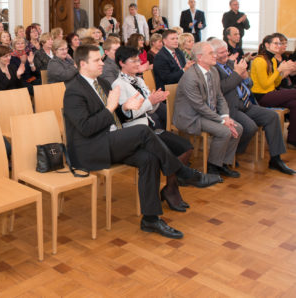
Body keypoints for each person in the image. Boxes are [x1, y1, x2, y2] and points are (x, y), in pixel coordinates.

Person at [63, 45, 220, 239]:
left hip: (110, 139)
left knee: (149, 158)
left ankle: (150, 219)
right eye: (97, 60)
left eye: (102, 59)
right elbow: (86, 128)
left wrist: (125, 108)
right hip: (90, 149)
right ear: (83, 64)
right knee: (142, 131)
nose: (102, 63)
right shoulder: (73, 91)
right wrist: (111, 108)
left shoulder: (102, 82)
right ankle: (183, 172)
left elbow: (114, 115)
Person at [113, 46, 194, 211]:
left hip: (149, 128)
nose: (138, 63)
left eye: (138, 60)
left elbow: (149, 109)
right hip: (135, 132)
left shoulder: (139, 80)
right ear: (122, 63)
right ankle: (171, 191)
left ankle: (171, 188)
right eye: (133, 61)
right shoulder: (118, 85)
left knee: (186, 148)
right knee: (167, 153)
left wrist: (156, 100)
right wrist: (150, 101)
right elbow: (128, 115)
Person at [211, 39, 293, 175]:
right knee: (250, 127)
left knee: (272, 116)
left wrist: (245, 77)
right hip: (230, 108)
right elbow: (221, 89)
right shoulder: (213, 69)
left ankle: (276, 159)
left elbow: (248, 85)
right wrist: (237, 74)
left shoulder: (231, 64)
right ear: (213, 53)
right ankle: (232, 154)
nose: (226, 54)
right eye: (222, 52)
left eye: (226, 50)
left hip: (246, 103)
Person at [174, 41, 243, 178]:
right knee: (224, 131)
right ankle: (212, 167)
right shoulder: (190, 76)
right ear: (199, 57)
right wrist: (222, 122)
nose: (215, 55)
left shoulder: (213, 71)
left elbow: (220, 97)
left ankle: (223, 163)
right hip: (191, 117)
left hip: (206, 113)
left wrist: (225, 116)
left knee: (238, 127)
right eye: (211, 53)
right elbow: (199, 106)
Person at [250, 34, 296, 147]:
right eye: (276, 43)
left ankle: (292, 140)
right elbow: (265, 85)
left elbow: (275, 83)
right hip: (260, 96)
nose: (278, 45)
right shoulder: (259, 60)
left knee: (295, 104)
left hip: (271, 93)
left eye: (279, 43)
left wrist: (283, 74)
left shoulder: (273, 60)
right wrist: (279, 70)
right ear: (267, 45)